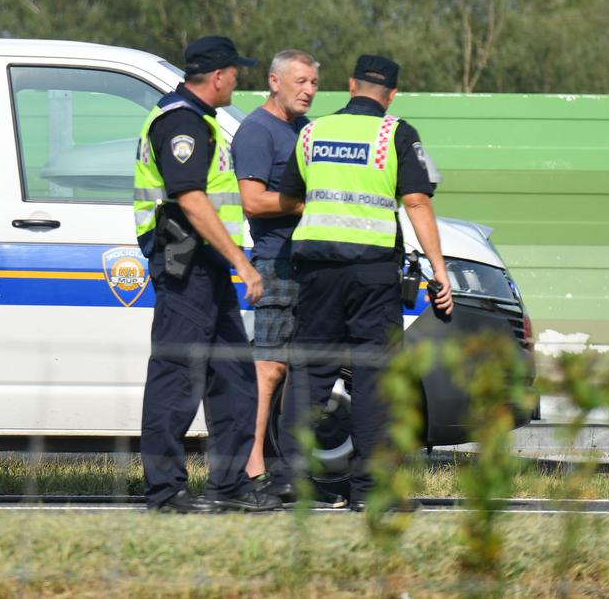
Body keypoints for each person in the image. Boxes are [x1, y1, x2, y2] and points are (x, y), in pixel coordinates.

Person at [280, 54, 452, 510]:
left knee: (310, 371)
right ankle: (370, 491)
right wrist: (440, 270)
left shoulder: (313, 131)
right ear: (392, 94)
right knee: (374, 377)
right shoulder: (396, 133)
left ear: (351, 84)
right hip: (372, 273)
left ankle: (292, 483)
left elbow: (290, 195)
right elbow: (416, 202)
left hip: (316, 269)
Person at [133, 35, 277, 513]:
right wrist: (241, 262)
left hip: (206, 269)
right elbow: (191, 198)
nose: (239, 79)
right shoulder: (181, 123)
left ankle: (230, 485)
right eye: (236, 72)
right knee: (176, 381)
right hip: (185, 266)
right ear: (218, 76)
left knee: (234, 380)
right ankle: (165, 491)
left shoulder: (200, 121)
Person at [230, 49, 318, 499]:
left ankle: (288, 471)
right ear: (274, 81)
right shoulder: (257, 131)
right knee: (267, 369)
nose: (308, 90)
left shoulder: (304, 132)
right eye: (300, 81)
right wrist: (314, 204)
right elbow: (254, 201)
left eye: (314, 83)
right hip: (275, 261)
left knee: (297, 372)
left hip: (308, 264)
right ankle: (252, 469)